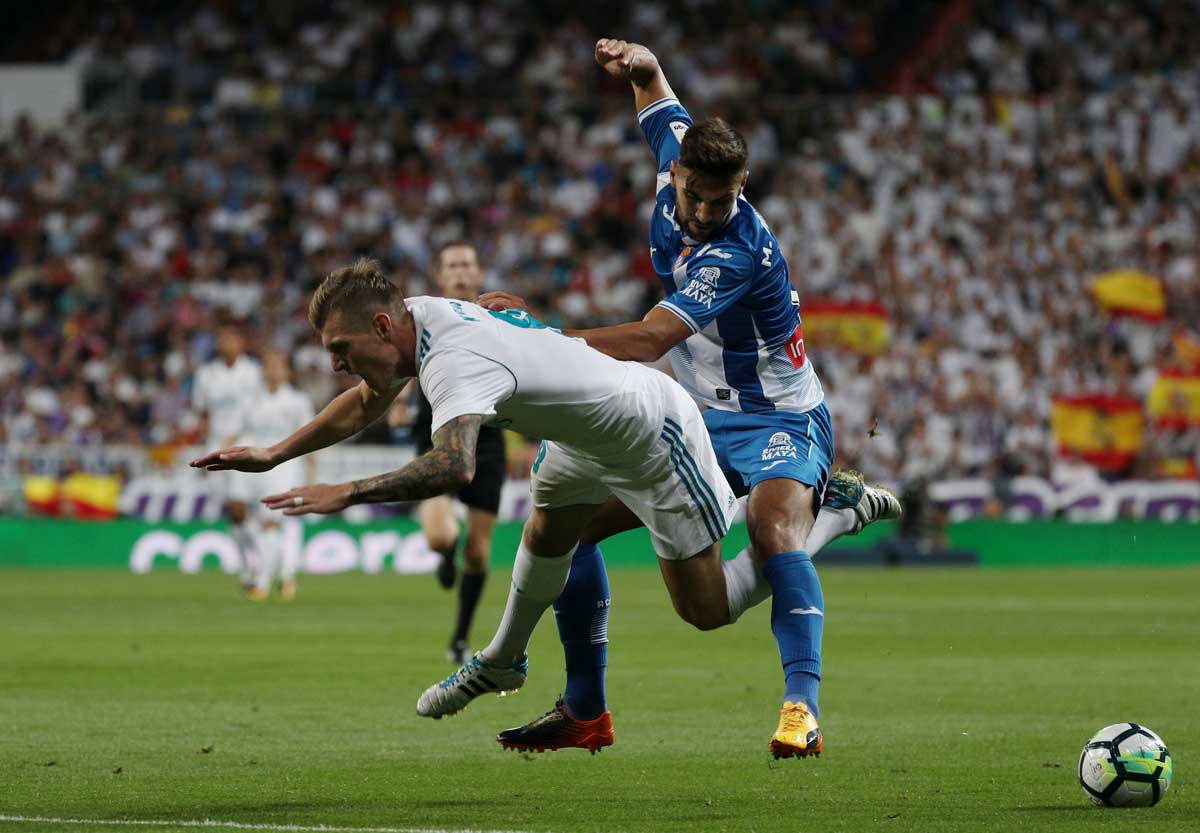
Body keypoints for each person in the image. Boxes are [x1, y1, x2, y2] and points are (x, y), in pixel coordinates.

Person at [474, 38, 900, 759]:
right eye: (693, 194)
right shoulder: (677, 153)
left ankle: (801, 705)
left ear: (742, 186)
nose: (703, 211)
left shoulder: (738, 250)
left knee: (772, 530)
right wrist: (641, 64)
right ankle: (584, 709)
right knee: (585, 533)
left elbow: (648, 339)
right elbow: (655, 93)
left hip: (780, 417)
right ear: (675, 170)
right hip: (702, 417)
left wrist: (535, 336)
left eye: (720, 198)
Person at [191, 260, 759, 742]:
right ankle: (503, 660)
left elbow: (454, 465)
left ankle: (800, 534)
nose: (336, 365)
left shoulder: (452, 360)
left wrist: (348, 492)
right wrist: (275, 453)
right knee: (546, 534)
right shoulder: (415, 315)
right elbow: (365, 403)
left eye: (341, 349)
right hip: (580, 439)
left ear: (382, 326)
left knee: (705, 610)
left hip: (651, 433)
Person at [406, 242, 507, 663]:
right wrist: (395, 400)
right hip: (435, 438)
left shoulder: (500, 319)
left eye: (467, 264)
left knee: (479, 552)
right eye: (453, 266)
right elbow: (401, 364)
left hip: (487, 439)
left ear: (479, 272)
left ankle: (460, 638)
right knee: (440, 536)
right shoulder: (422, 318)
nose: (461, 272)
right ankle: (446, 555)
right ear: (440, 275)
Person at [231, 350, 316, 600]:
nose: (273, 371)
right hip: (251, 464)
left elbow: (311, 436)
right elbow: (236, 432)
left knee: (270, 521)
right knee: (237, 515)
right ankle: (265, 567)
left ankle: (263, 582)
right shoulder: (250, 401)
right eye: (269, 366)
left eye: (278, 366)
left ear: (287, 371)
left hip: (283, 467)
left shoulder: (297, 401)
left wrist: (311, 470)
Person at [191, 322, 265, 598]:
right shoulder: (206, 374)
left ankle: (262, 561)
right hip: (215, 446)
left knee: (239, 505)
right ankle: (248, 565)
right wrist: (204, 446)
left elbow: (258, 411)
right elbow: (202, 414)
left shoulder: (253, 372)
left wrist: (232, 441)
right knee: (233, 514)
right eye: (222, 339)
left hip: (245, 444)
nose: (226, 344)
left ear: (241, 342)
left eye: (231, 338)